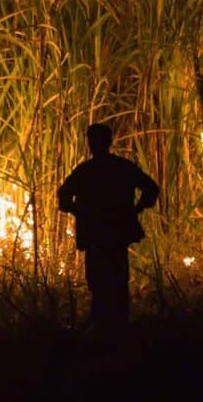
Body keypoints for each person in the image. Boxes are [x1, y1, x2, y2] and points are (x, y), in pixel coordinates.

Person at [57, 122, 159, 333]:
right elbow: (151, 188)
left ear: (91, 144)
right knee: (117, 276)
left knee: (97, 278)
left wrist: (78, 211)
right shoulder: (122, 167)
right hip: (118, 230)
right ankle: (118, 323)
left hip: (95, 231)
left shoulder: (86, 170)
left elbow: (63, 196)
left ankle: (102, 323)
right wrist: (137, 209)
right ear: (110, 142)